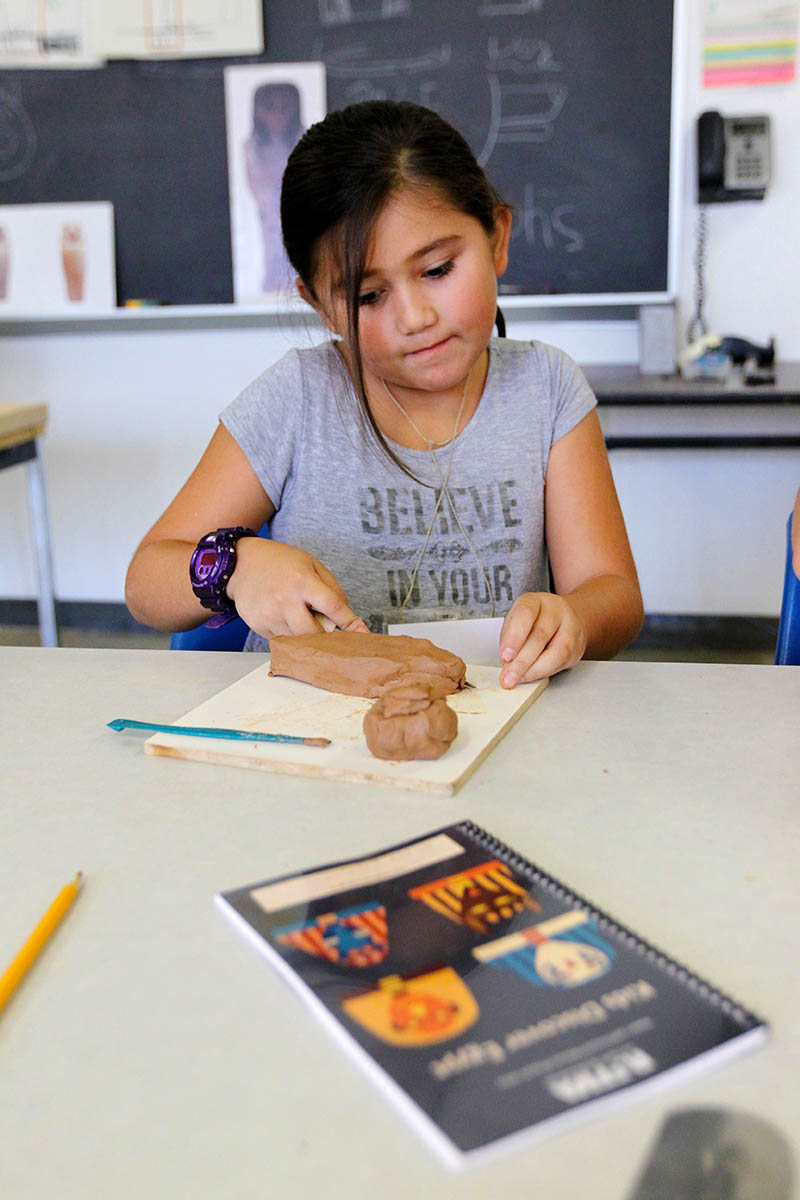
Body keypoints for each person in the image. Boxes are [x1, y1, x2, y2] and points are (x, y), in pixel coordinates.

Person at [126, 100, 643, 686]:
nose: (415, 317)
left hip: (492, 722)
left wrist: (573, 617)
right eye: (369, 297)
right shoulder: (299, 398)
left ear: (497, 238)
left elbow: (615, 594)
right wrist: (233, 567)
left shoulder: (546, 390)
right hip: (311, 736)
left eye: (439, 269)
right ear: (320, 305)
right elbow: (146, 581)